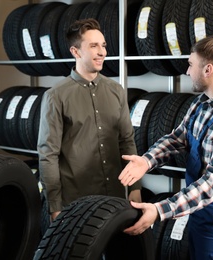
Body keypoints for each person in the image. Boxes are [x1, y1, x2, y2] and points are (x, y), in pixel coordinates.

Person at [119, 35, 213, 259]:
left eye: (191, 64)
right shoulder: (201, 103)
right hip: (199, 208)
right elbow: (178, 138)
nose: (187, 71)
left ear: (208, 69)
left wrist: (159, 210)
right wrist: (147, 160)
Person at [38, 18, 141, 221]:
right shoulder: (55, 96)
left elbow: (127, 141)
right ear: (76, 52)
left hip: (115, 198)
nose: (102, 52)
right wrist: (55, 206)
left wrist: (135, 188)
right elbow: (48, 154)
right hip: (75, 203)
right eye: (93, 46)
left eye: (103, 45)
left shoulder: (116, 91)